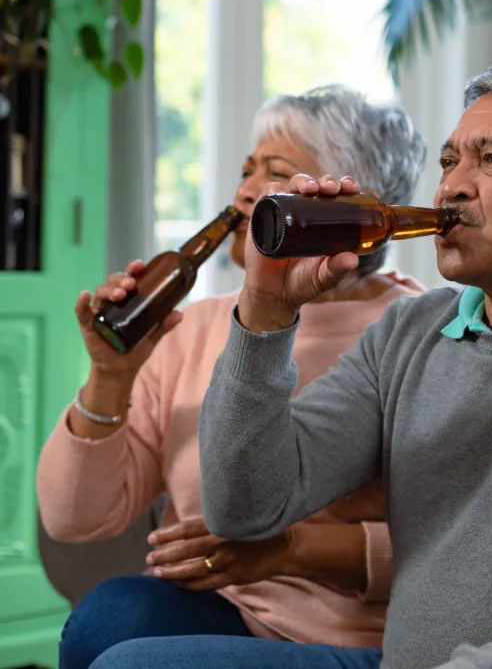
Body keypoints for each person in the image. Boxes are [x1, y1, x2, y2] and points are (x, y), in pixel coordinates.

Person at [87, 57, 492, 669]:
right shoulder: (412, 332)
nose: (452, 184)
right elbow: (245, 506)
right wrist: (265, 310)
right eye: (450, 159)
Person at [36, 84, 427, 669]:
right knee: (108, 619)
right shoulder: (191, 326)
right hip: (225, 607)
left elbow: (465, 549)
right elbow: (75, 518)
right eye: (247, 170)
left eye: (275, 172)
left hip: (359, 635)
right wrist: (110, 377)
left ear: (343, 200)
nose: (244, 190)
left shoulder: (424, 335)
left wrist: (288, 550)